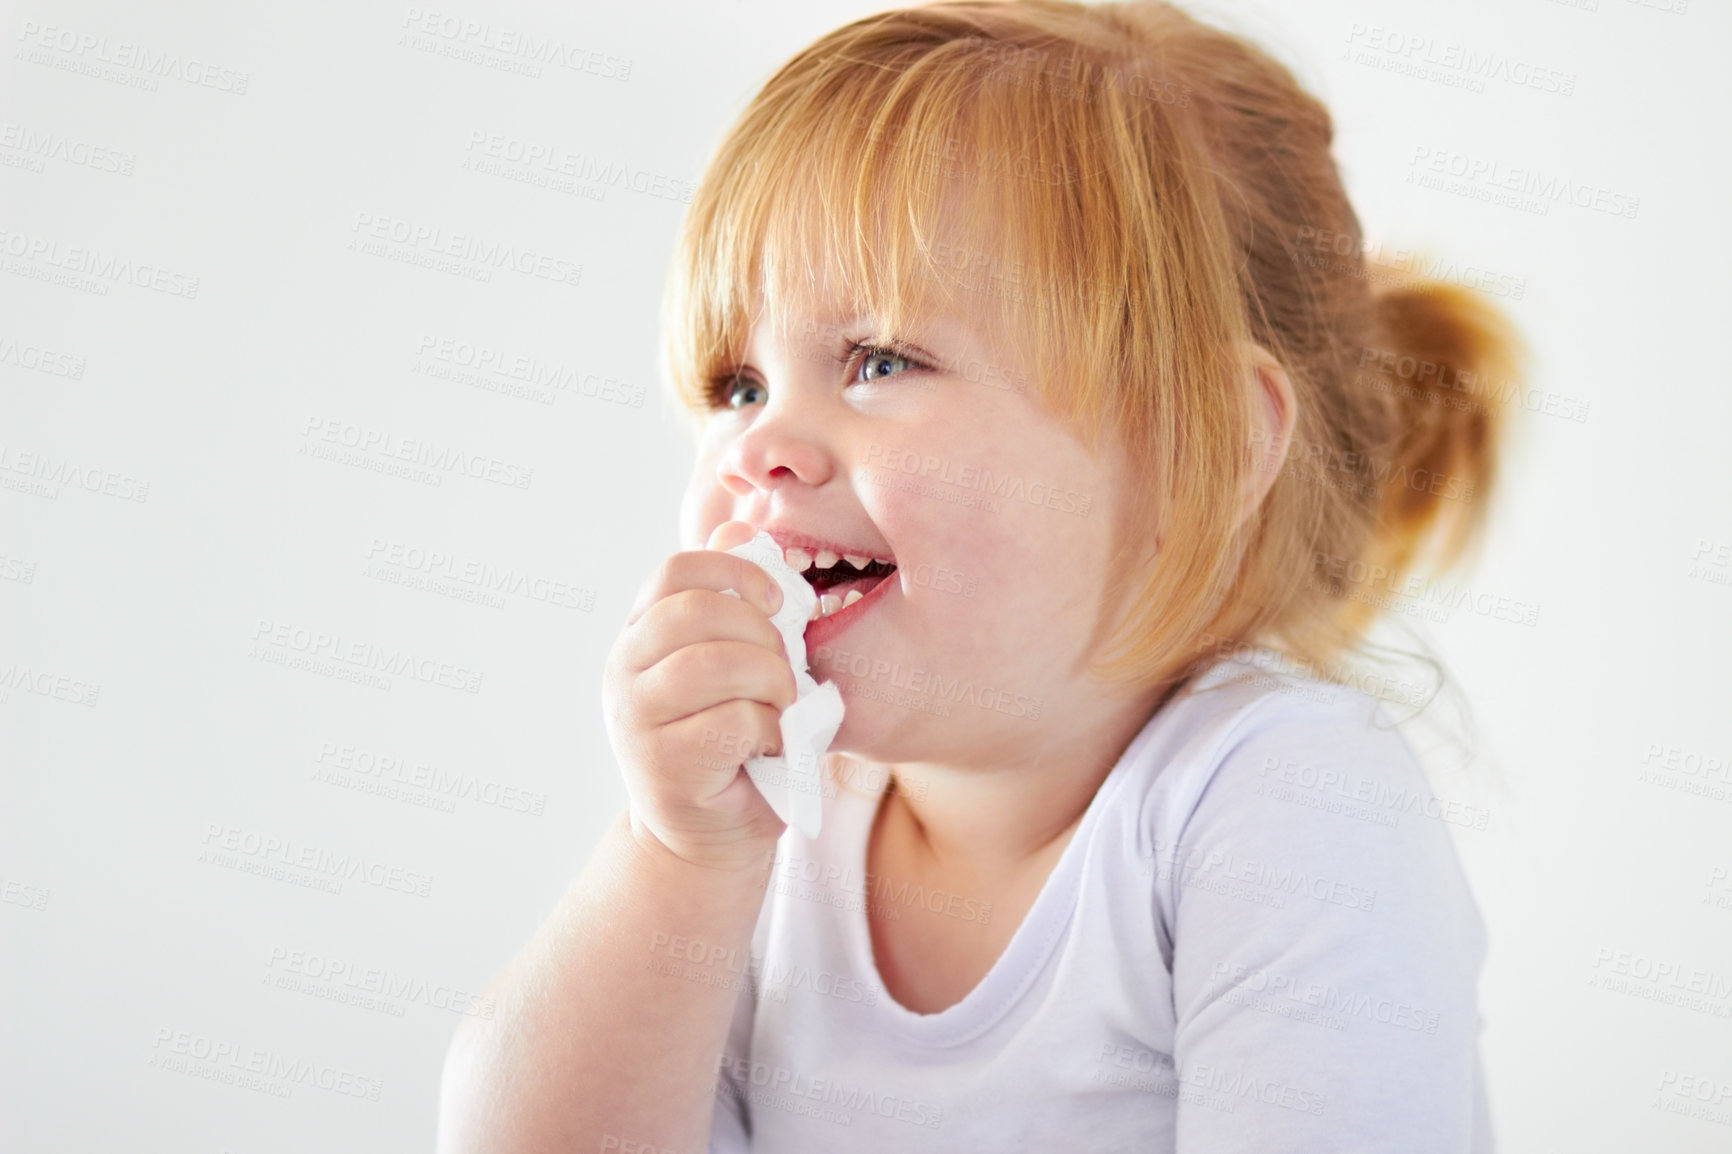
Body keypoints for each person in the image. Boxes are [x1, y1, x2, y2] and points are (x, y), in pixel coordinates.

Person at [438, 1, 1524, 1150]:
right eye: (738, 382)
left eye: (880, 359)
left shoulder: (1277, 795)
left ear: (1190, 446)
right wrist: (672, 853)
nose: (757, 446)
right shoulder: (773, 835)